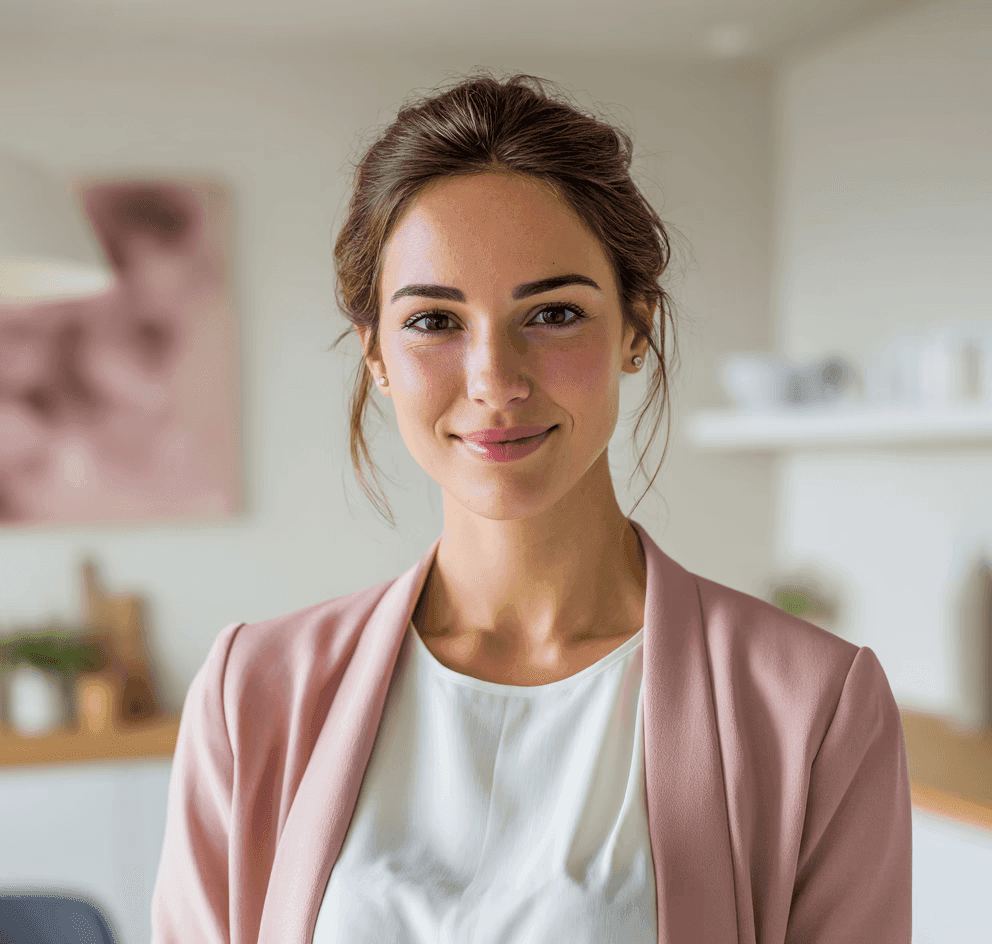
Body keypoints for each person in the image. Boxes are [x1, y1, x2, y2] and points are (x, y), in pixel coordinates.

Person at [151, 71, 912, 944]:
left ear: (635, 327)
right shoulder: (253, 692)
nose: (496, 382)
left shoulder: (814, 707)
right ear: (376, 358)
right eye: (435, 322)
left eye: (552, 313)